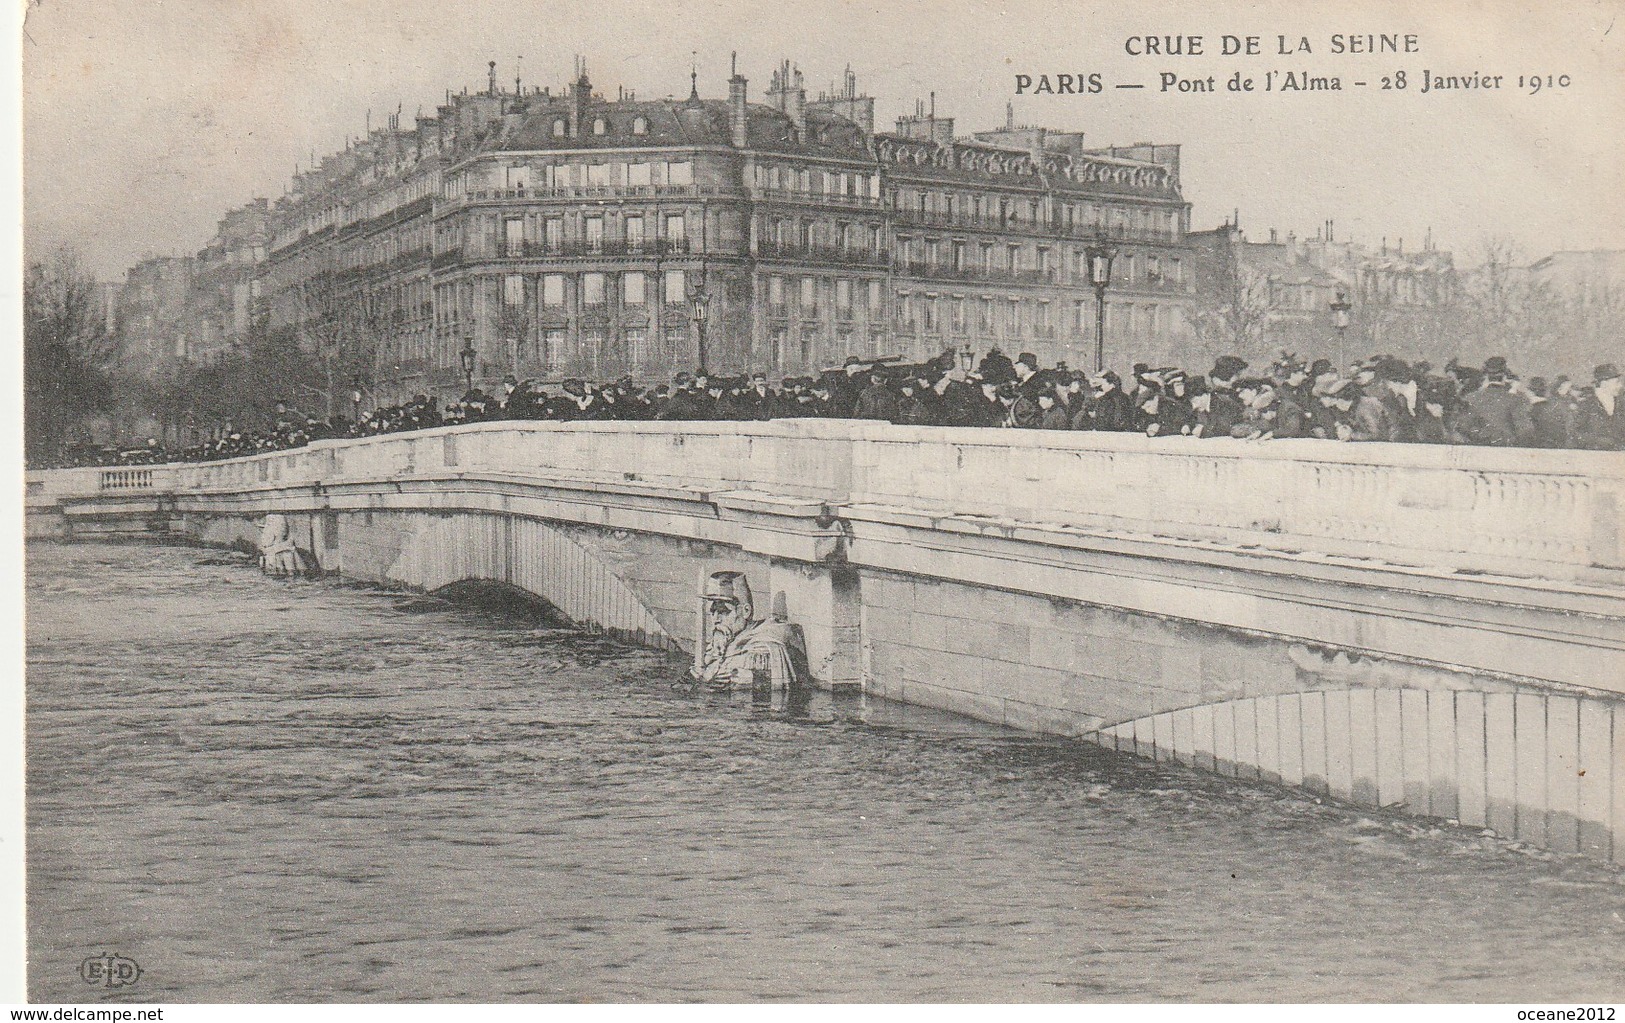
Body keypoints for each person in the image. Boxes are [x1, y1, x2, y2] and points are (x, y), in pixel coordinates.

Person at [1463, 356, 1535, 447]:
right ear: (1505, 375)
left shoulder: (1470, 398)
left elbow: (1462, 427)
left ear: (1486, 375)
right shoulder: (1516, 400)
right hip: (1506, 452)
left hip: (1475, 453)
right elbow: (1526, 431)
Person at [1575, 363, 1625, 450]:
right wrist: (1601, 442)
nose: (1620, 386)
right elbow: (1577, 434)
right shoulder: (1586, 405)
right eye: (1616, 382)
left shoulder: (1622, 404)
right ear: (1604, 383)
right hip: (1595, 457)